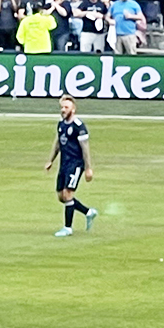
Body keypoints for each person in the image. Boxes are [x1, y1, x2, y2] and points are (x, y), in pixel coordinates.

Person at [46, 95, 97, 237]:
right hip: (64, 164)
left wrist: (88, 168)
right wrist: (51, 160)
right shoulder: (61, 124)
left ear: (73, 109)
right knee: (61, 197)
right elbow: (58, 143)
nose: (63, 110)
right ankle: (88, 212)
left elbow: (85, 148)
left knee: (68, 194)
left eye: (66, 107)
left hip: (75, 164)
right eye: (62, 107)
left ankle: (67, 228)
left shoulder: (78, 126)